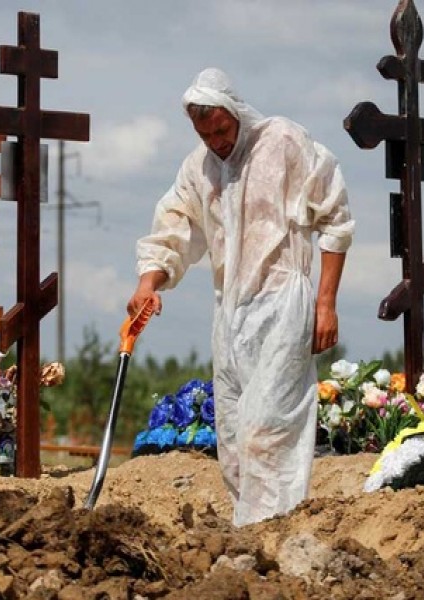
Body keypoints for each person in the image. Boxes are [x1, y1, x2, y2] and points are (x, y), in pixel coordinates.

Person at [127, 67, 354, 526]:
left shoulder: (283, 142)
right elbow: (174, 228)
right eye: (205, 133)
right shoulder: (199, 169)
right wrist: (148, 282)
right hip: (229, 315)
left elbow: (334, 219)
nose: (216, 140)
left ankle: (271, 531)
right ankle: (251, 531)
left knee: (265, 430)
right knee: (231, 438)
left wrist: (325, 304)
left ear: (236, 113)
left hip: (283, 303)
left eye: (222, 130)